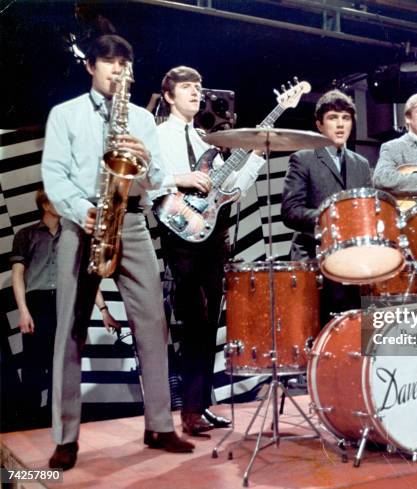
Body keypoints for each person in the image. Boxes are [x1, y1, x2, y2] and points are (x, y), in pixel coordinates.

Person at [41, 34, 194, 470]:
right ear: (91, 67)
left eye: (123, 63)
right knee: (69, 331)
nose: (116, 70)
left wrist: (146, 163)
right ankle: (65, 438)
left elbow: (158, 179)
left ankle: (160, 425)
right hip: (81, 221)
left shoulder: (143, 119)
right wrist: (80, 210)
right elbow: (53, 173)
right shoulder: (64, 115)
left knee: (152, 327)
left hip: (130, 220)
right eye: (108, 62)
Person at [155, 66, 263, 434]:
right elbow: (146, 181)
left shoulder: (206, 143)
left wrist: (257, 157)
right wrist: (178, 179)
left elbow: (230, 190)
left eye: (199, 87)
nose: (195, 93)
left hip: (212, 239)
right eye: (187, 87)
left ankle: (199, 407)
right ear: (169, 95)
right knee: (192, 321)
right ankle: (189, 410)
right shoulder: (157, 136)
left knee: (208, 324)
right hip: (179, 235)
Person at [10, 190, 120, 428]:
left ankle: (56, 418)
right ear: (46, 205)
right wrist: (23, 311)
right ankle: (28, 422)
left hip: (66, 300)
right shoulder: (26, 235)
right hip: (37, 302)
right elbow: (17, 275)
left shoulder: (73, 236)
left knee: (63, 361)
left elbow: (84, 276)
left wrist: (103, 309)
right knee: (34, 364)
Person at [281, 89, 371, 322]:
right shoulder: (303, 158)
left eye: (346, 118)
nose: (340, 124)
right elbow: (290, 211)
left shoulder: (361, 164)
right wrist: (331, 217)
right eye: (333, 118)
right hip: (313, 257)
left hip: (352, 261)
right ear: (319, 125)